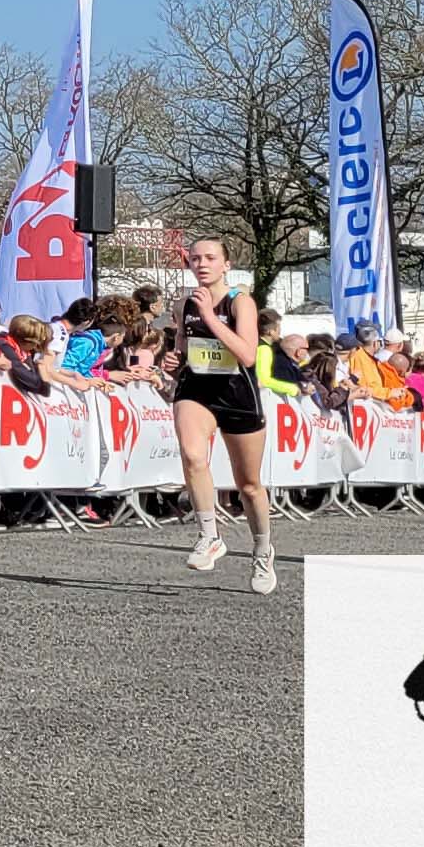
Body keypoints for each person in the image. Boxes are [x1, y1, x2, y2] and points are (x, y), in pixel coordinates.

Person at [161, 234, 278, 596]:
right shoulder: (185, 303)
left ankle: (262, 549)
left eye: (210, 258)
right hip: (197, 389)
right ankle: (209, 535)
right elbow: (182, 344)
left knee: (249, 486)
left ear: (226, 264)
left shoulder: (240, 302)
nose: (202, 264)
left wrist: (211, 317)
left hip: (237, 394)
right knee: (194, 456)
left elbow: (246, 354)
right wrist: (173, 360)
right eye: (195, 258)